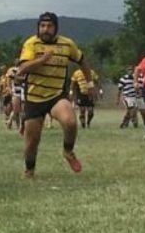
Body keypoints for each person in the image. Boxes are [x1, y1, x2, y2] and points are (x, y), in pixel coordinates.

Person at [16, 12, 93, 178]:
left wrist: (90, 82)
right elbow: (23, 68)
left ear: (56, 28)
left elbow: (83, 61)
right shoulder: (31, 44)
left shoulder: (67, 44)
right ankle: (29, 171)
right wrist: (42, 60)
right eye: (42, 26)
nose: (45, 29)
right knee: (31, 143)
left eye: (49, 26)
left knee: (70, 121)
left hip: (56, 95)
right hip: (34, 98)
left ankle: (68, 151)